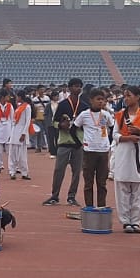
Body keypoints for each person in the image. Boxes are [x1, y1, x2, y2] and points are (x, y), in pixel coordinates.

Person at [110, 86, 140, 234]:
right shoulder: (120, 115)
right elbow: (114, 135)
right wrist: (127, 137)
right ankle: (125, 221)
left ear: (138, 97)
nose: (126, 98)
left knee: (139, 190)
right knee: (122, 188)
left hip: (139, 154)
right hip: (123, 154)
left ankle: (136, 221)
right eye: (124, 96)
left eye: (129, 95)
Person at [44, 78, 85, 208]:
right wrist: (62, 125)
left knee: (76, 171)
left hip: (78, 142)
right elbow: (54, 122)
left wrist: (79, 126)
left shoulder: (84, 106)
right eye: (75, 86)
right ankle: (54, 195)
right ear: (69, 88)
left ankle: (71, 196)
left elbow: (88, 124)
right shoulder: (62, 105)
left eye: (79, 86)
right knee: (58, 170)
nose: (77, 89)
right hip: (64, 141)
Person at [76, 88, 115, 213]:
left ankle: (101, 206)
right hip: (89, 151)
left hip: (103, 151)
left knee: (101, 182)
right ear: (91, 100)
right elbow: (74, 128)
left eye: (102, 99)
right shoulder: (84, 115)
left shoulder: (106, 115)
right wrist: (79, 142)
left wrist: (107, 141)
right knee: (88, 181)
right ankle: (89, 207)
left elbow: (113, 128)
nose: (101, 102)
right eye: (98, 99)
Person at [0, 89, 31, 181]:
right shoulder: (18, 107)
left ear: (20, 97)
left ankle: (24, 172)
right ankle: (12, 171)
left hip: (21, 132)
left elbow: (27, 121)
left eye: (17, 96)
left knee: (22, 154)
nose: (16, 98)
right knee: (12, 154)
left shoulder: (27, 107)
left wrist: (24, 133)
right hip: (14, 132)